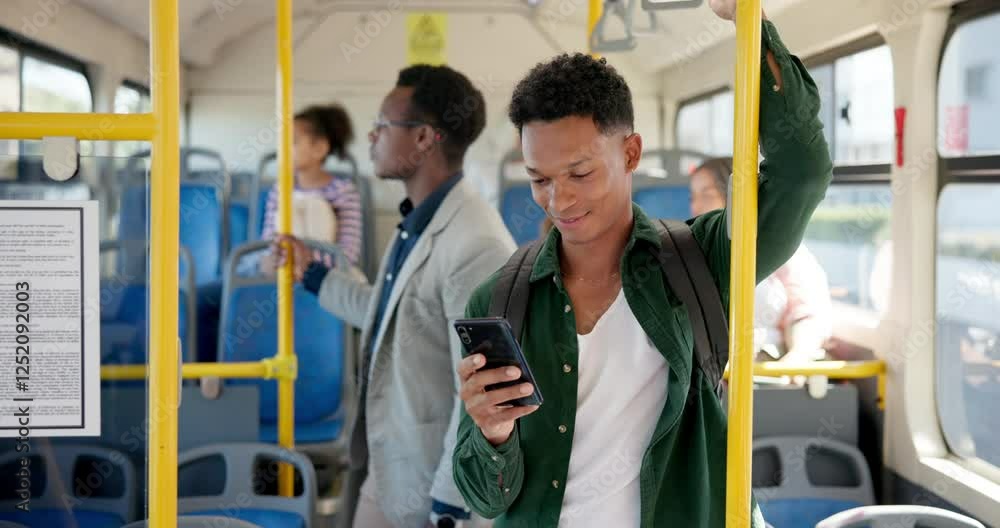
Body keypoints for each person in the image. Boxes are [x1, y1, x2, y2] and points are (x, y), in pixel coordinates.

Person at [452, 3, 832, 527]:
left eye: (580, 174)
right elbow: (486, 499)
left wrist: (751, 23)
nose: (558, 200)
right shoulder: (499, 302)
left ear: (631, 153)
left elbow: (801, 171)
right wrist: (492, 433)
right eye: (539, 179)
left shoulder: (701, 263)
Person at [274, 65, 516, 528]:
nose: (371, 137)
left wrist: (450, 503)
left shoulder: (476, 243)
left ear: (423, 138)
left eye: (382, 125)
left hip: (433, 485)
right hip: (391, 466)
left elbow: (484, 392)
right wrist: (313, 275)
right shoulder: (417, 222)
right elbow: (390, 317)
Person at [194, 104, 360, 363]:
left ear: (319, 148)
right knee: (202, 299)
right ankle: (211, 374)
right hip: (275, 269)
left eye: (292, 142)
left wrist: (304, 265)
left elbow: (347, 254)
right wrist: (269, 261)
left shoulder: (343, 192)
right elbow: (267, 241)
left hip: (322, 274)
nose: (283, 149)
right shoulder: (279, 191)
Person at [690, 156, 833, 362]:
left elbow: (806, 314)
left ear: (736, 195)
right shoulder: (689, 251)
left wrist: (797, 357)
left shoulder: (782, 249)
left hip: (770, 367)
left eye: (706, 195)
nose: (695, 207)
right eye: (692, 197)